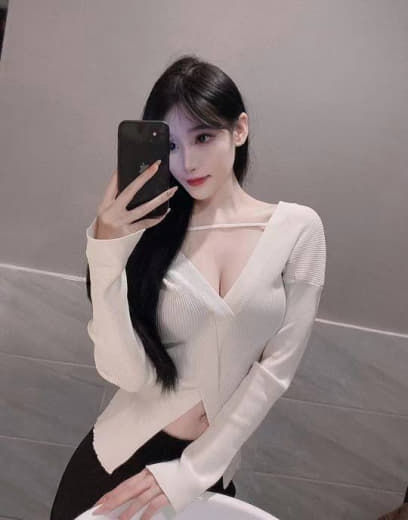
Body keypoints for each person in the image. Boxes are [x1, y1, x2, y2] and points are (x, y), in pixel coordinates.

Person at [50, 54, 326, 520]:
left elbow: (274, 371)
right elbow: (125, 375)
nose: (188, 162)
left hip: (205, 472)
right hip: (115, 462)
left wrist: (191, 472)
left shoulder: (298, 231)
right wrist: (106, 250)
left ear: (239, 130)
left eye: (203, 137)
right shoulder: (150, 234)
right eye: (172, 145)